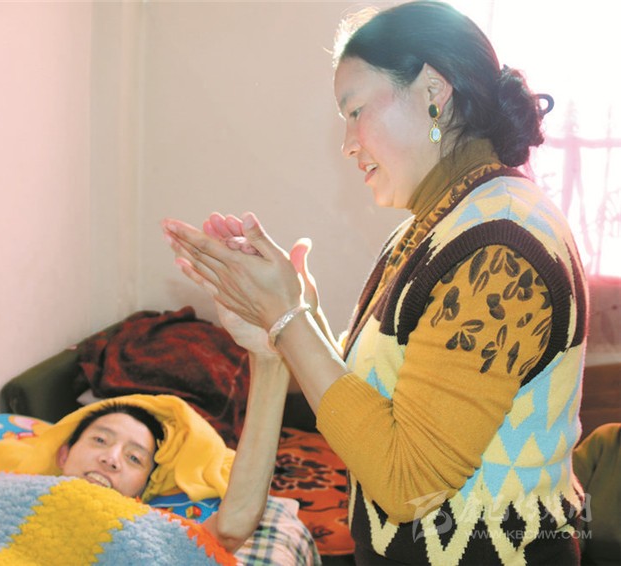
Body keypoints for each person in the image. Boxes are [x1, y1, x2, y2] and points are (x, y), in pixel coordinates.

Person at [162, 1, 589, 564]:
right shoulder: (437, 225)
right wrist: (284, 327)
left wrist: (290, 320)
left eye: (355, 110)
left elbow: (408, 484)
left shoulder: (500, 249)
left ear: (433, 89)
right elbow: (373, 407)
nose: (347, 143)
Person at [0, 305, 291, 555]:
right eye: (100, 440)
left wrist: (268, 360)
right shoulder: (0, 496)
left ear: (142, 490)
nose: (111, 459)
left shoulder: (146, 537)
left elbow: (230, 528)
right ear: (64, 454)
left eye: (134, 458)